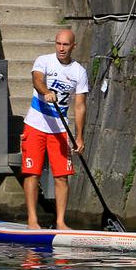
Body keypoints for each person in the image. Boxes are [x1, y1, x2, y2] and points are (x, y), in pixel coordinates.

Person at [22, 28, 89, 230]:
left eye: (66, 45)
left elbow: (79, 106)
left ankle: (60, 222)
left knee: (61, 176)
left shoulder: (79, 72)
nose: (61, 48)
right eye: (58, 43)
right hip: (35, 124)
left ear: (73, 46)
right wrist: (45, 92)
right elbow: (37, 80)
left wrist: (79, 137)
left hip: (60, 130)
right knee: (32, 173)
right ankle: (32, 220)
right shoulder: (44, 60)